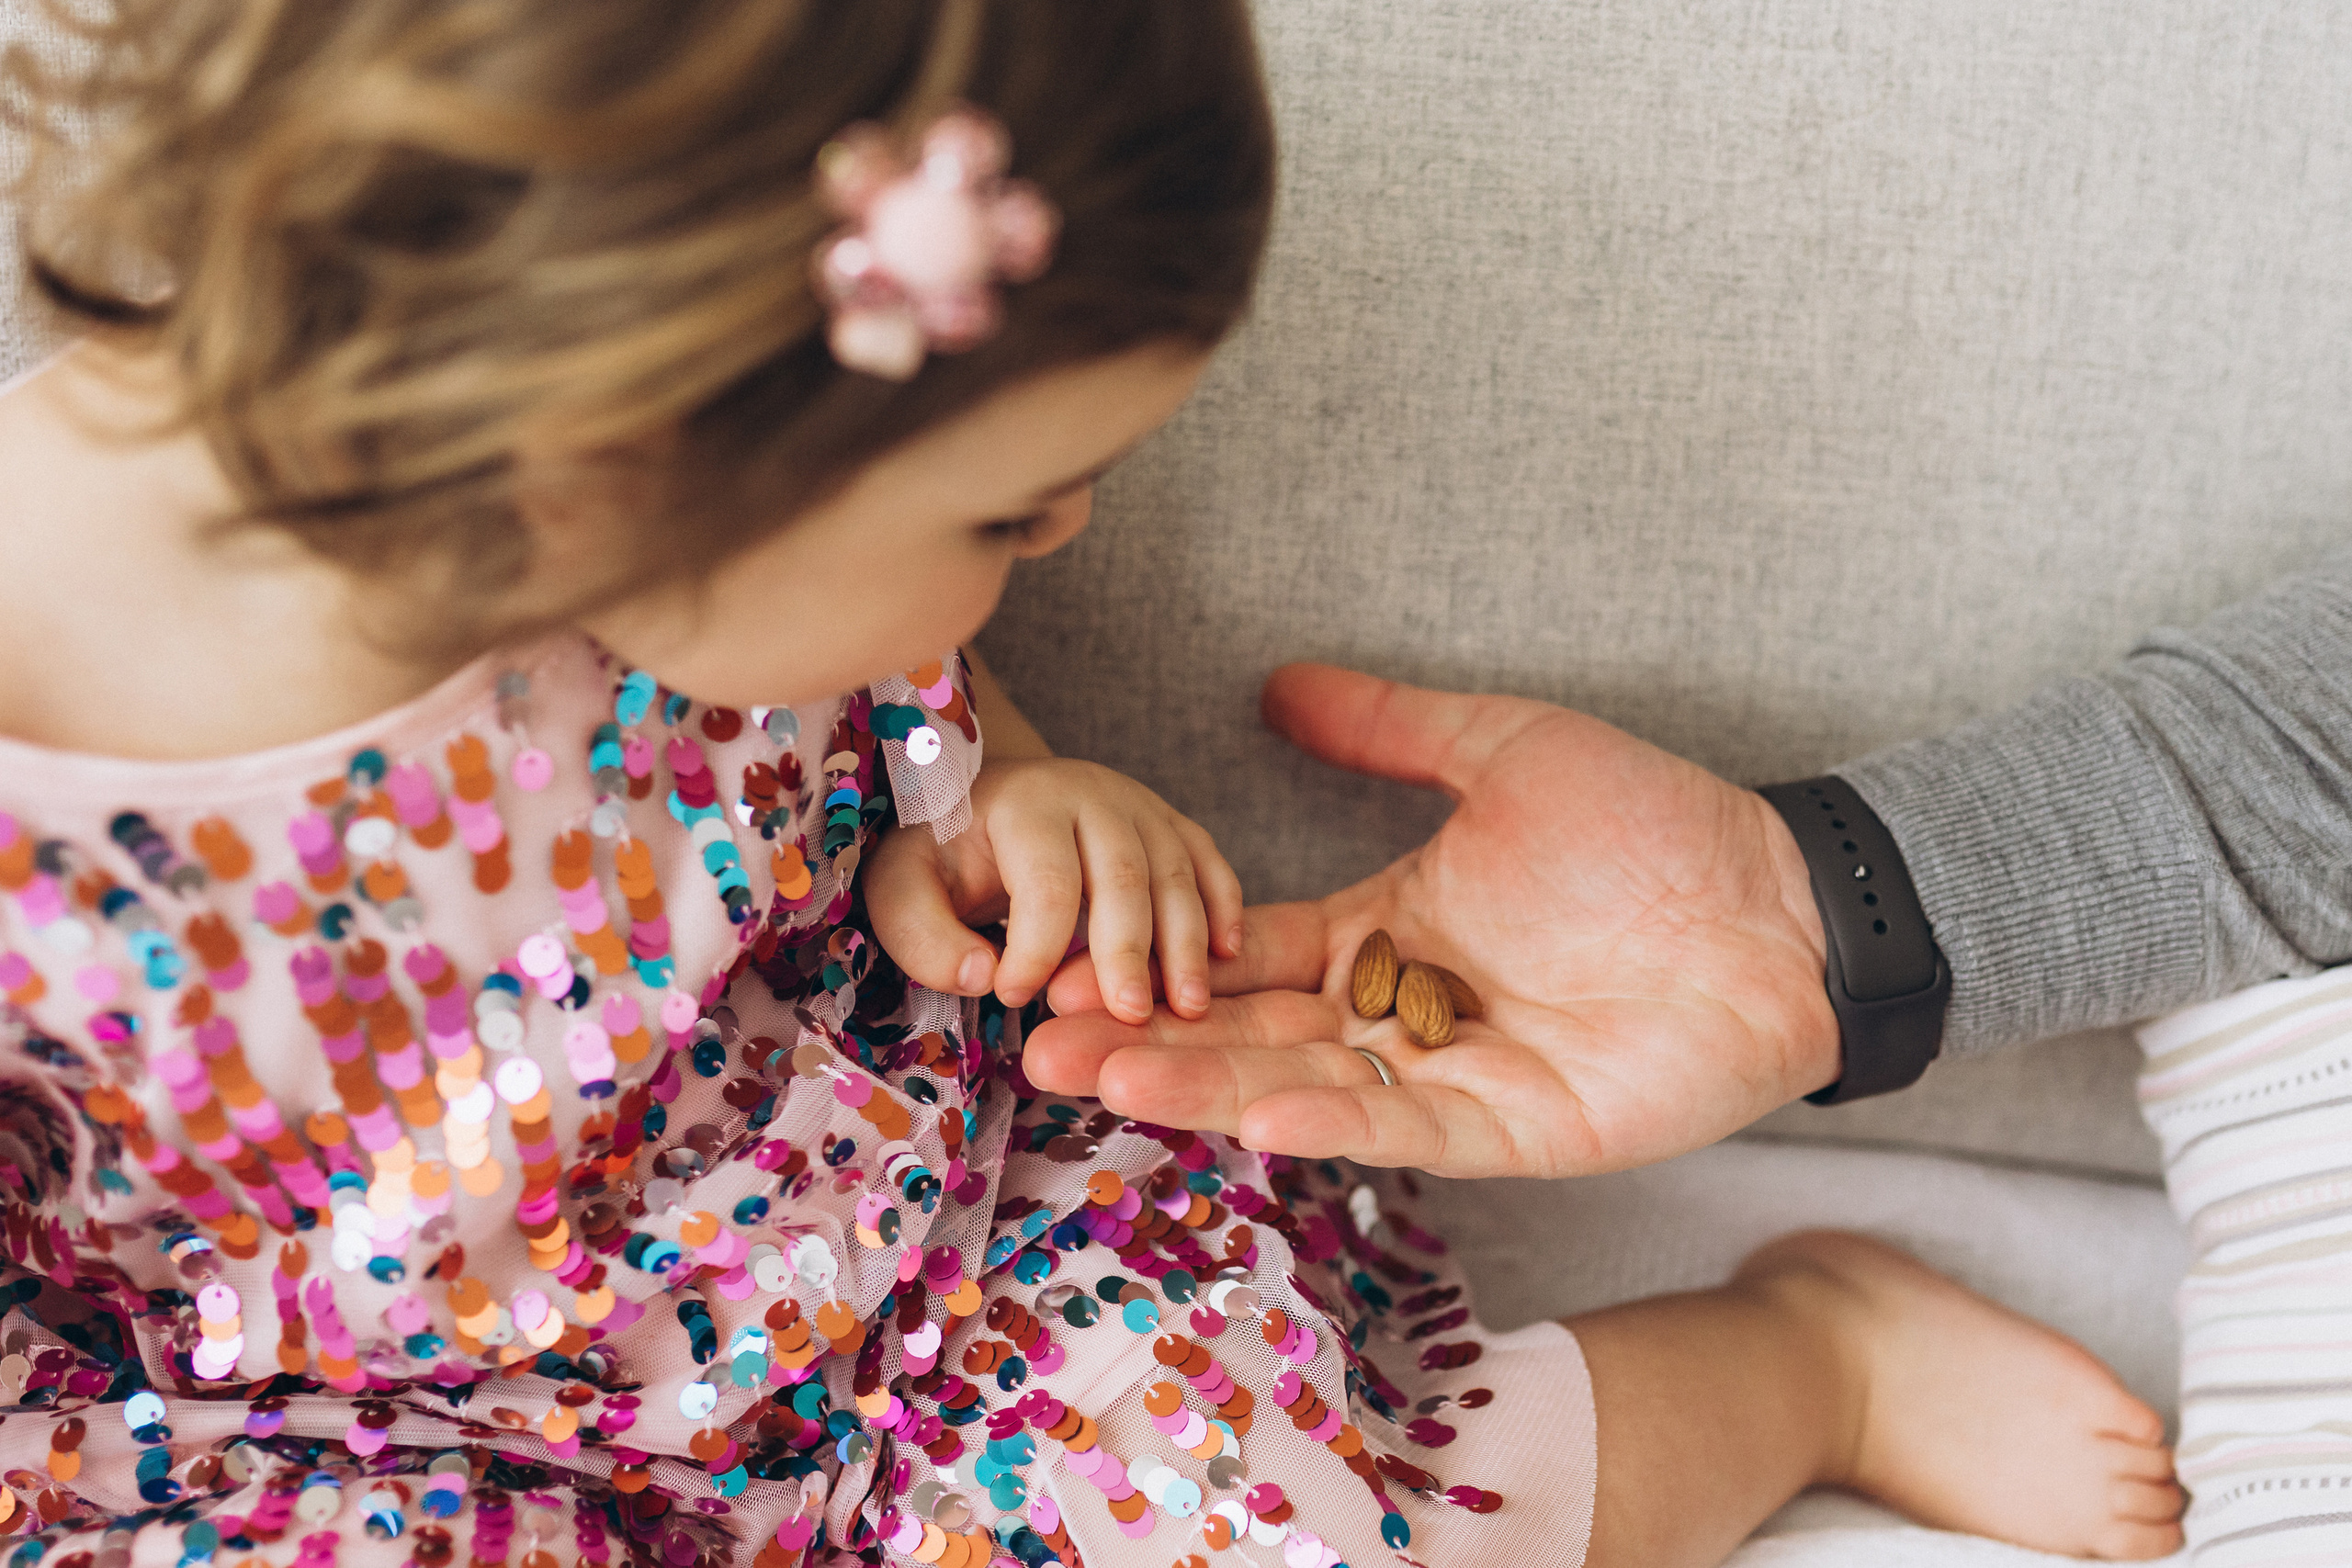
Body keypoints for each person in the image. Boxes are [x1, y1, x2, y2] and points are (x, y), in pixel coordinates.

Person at [0, 4, 2182, 1568]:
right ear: (624, 456)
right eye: (1011, 509)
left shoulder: (654, 527)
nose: (1046, 554)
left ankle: (1809, 1353)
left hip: (909, 1265)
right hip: (325, 1432)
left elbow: (908, 728)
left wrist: (1001, 803)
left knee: (1289, 1533)